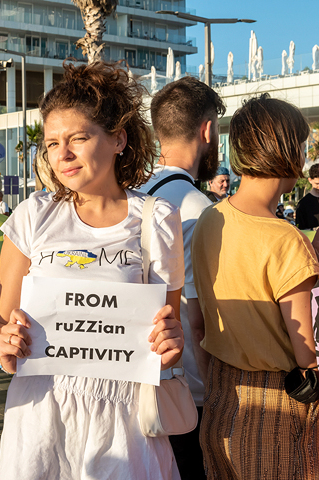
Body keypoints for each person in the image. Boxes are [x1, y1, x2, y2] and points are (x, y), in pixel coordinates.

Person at [0, 61, 185, 480]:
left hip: (124, 421)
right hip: (40, 416)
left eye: (78, 138)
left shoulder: (156, 219)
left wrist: (170, 342)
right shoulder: (31, 217)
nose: (63, 154)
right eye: (53, 142)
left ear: (118, 139)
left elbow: (169, 336)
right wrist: (2, 344)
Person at [192, 94, 319, 479]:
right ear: (287, 150)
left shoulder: (211, 218)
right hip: (278, 409)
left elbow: (198, 322)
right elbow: (306, 355)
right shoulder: (285, 240)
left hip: (219, 397)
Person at [138, 75, 225, 480]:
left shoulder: (137, 194)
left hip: (141, 382)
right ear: (207, 130)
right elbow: (197, 315)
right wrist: (217, 395)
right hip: (187, 393)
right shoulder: (197, 206)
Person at [295, 163, 319, 230]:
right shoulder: (302, 204)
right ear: (310, 180)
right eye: (317, 184)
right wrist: (315, 229)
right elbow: (300, 231)